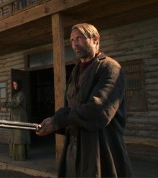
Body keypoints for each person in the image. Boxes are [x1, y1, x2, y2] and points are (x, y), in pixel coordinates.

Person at [36, 23, 133, 177]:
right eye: (72, 40)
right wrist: (54, 124)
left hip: (101, 151)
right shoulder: (76, 71)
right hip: (74, 150)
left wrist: (59, 119)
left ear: (95, 39)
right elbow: (74, 108)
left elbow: (99, 111)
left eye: (79, 38)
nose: (74, 44)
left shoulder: (110, 68)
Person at [1, 80, 31, 161]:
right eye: (13, 84)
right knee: (14, 134)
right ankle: (14, 154)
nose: (14, 86)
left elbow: (15, 104)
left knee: (20, 134)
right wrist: (6, 103)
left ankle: (21, 155)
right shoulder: (16, 95)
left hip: (20, 117)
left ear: (19, 85)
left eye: (16, 84)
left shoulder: (21, 94)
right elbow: (13, 103)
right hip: (15, 117)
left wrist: (5, 105)